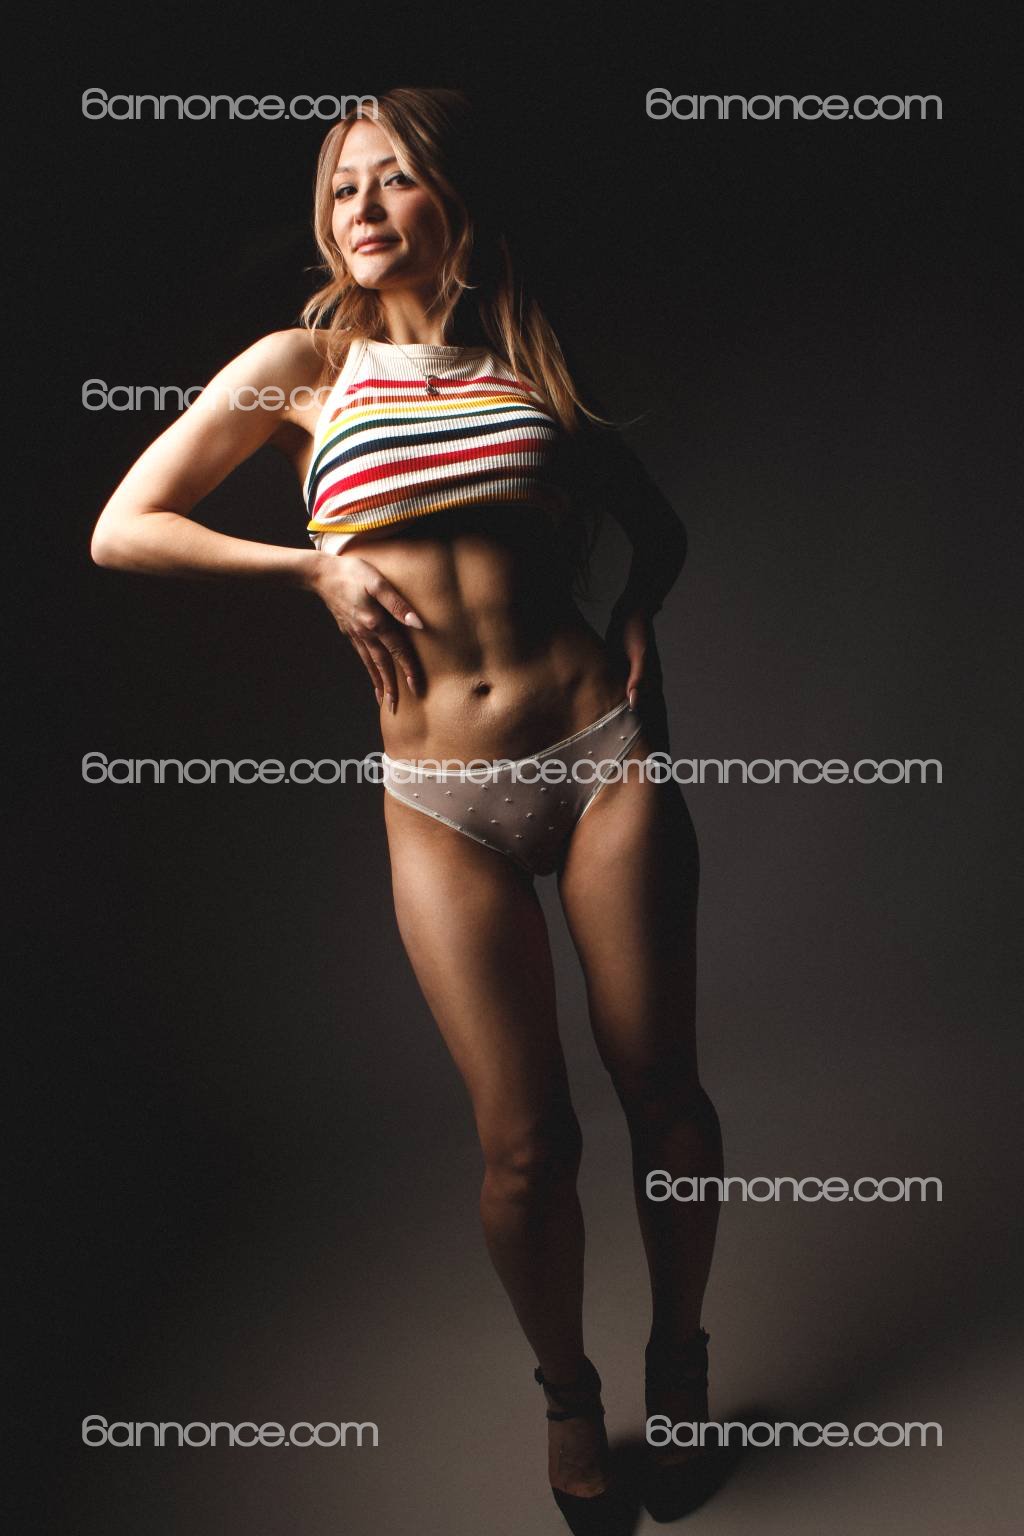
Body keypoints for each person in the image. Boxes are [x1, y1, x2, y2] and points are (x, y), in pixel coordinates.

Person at [91, 87, 724, 1534]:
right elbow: (124, 527)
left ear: (452, 198)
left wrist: (638, 610)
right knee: (526, 1145)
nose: (361, 208)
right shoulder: (303, 369)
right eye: (340, 188)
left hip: (602, 752)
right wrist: (308, 569)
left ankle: (681, 1358)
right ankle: (569, 1393)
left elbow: (656, 525)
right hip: (442, 796)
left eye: (391, 179)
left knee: (663, 1091)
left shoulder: (531, 365)